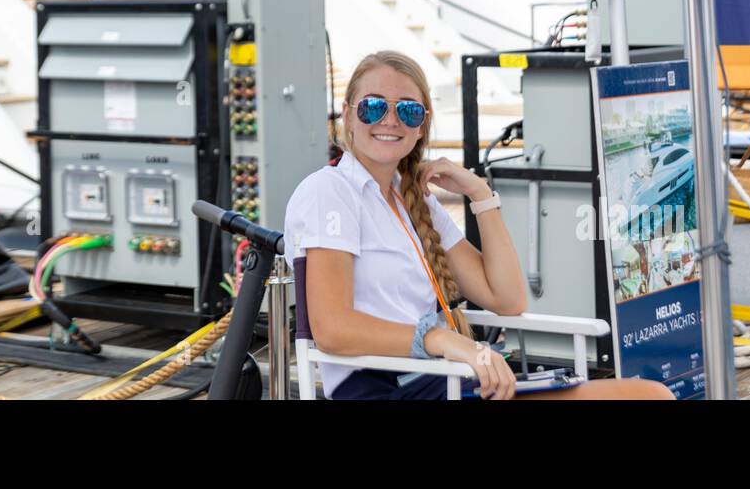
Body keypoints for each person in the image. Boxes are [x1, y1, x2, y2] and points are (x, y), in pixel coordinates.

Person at [283, 50, 676, 401]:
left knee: (648, 394)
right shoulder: (329, 191)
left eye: (407, 110)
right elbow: (332, 329)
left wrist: (481, 195)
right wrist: (440, 340)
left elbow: (506, 299)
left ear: (421, 126)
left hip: (444, 379)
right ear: (348, 113)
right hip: (387, 386)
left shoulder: (416, 202)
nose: (389, 120)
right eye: (373, 107)